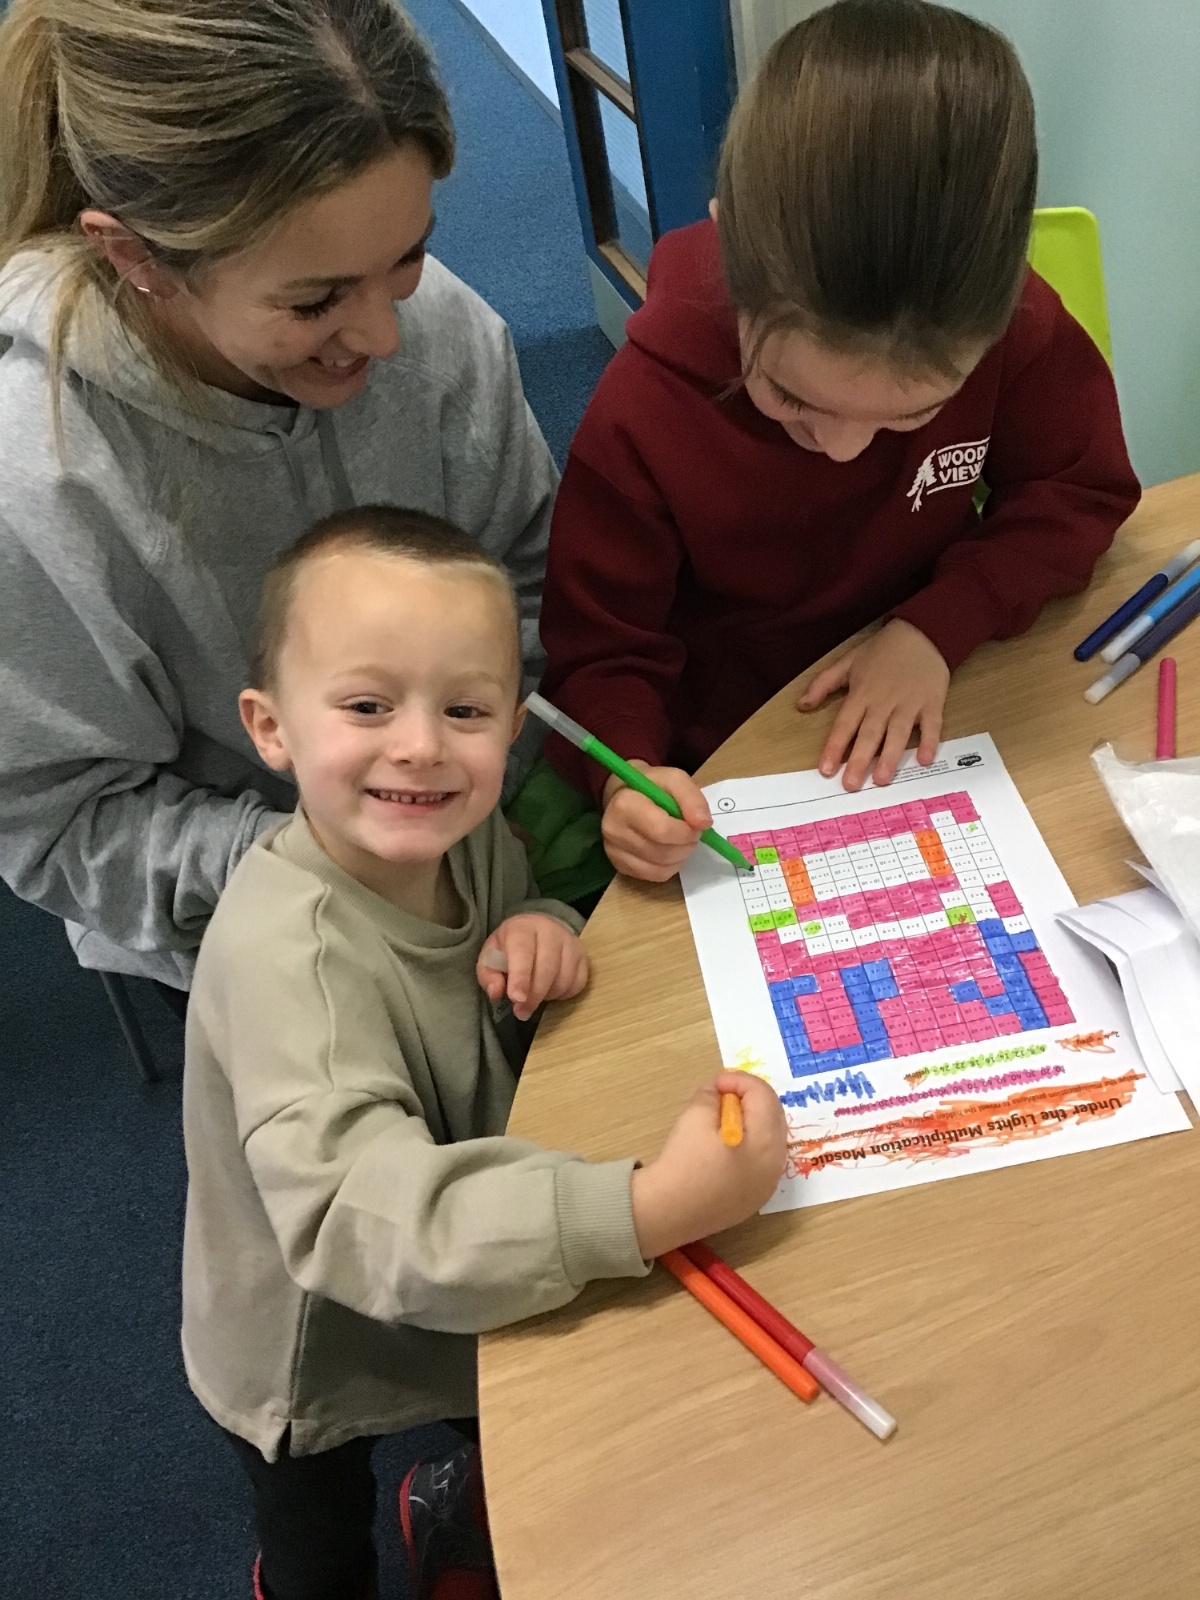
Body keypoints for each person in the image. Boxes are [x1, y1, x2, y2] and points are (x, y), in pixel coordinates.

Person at [181, 504, 788, 1600]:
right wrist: (645, 1208)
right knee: (320, 1550)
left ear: (512, 725)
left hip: (467, 1246)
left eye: (464, 709)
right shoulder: (290, 961)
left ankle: (457, 1505)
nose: (421, 745)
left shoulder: (459, 834)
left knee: (514, 1424)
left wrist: (541, 923)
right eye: (368, 706)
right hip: (312, 1345)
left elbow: (517, 908)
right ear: (271, 729)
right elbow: (361, 1222)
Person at [0, 0, 555, 1002]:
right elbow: (64, 820)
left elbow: (532, 577)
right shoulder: (35, 478)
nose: (386, 336)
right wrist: (342, 862)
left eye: (408, 256)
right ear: (137, 257)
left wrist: (470, 781)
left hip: (482, 858)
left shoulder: (445, 334)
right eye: (314, 301)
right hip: (259, 928)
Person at [538, 0, 1139, 885]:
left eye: (911, 417)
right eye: (789, 398)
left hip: (938, 711)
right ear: (733, 252)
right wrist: (627, 773)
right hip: (722, 762)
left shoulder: (1014, 326)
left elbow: (1079, 490)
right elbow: (601, 652)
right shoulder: (642, 410)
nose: (848, 452)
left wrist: (938, 626)